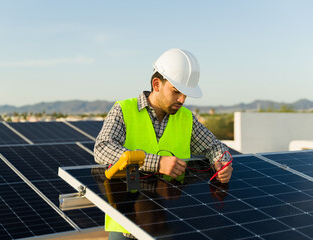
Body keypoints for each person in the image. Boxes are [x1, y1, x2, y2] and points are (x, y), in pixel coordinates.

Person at [94, 48, 233, 240]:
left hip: (167, 220)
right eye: (176, 92)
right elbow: (102, 149)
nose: (182, 100)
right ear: (157, 84)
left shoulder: (186, 118)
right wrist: (157, 163)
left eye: (186, 94)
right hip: (127, 224)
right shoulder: (123, 110)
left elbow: (214, 146)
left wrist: (221, 161)